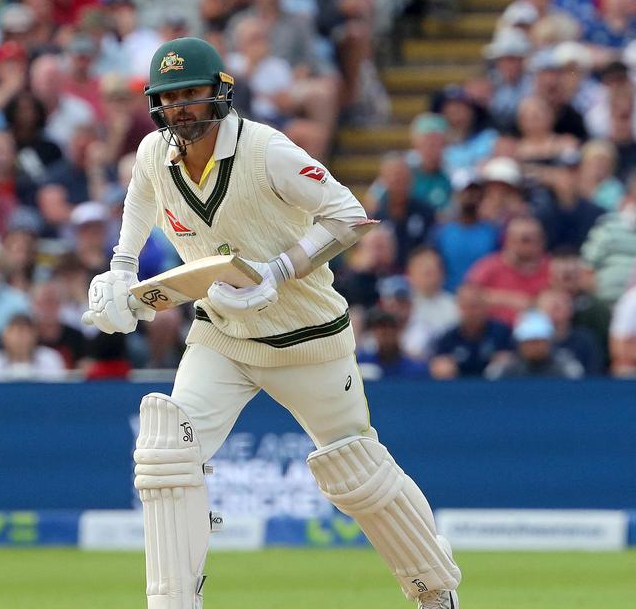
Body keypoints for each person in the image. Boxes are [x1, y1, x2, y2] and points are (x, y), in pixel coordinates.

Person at [84, 36, 459, 609]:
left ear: (220, 93)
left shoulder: (266, 150)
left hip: (308, 339)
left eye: (192, 94)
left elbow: (349, 215)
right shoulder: (153, 155)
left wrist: (280, 270)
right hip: (222, 335)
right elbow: (142, 197)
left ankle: (434, 592)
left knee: (356, 470)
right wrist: (121, 269)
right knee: (168, 452)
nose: (181, 107)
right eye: (170, 97)